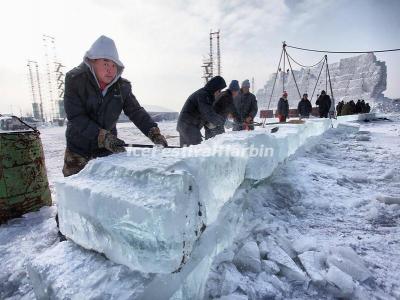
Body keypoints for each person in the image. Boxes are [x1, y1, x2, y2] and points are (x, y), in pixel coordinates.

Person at [62, 35, 168, 177]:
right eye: (106, 63)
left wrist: (154, 133)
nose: (110, 70)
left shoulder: (122, 87)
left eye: (114, 65)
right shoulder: (75, 80)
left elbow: (136, 111)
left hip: (108, 150)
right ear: (92, 61)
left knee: (112, 188)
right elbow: (76, 116)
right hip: (79, 150)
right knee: (76, 189)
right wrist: (102, 137)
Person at [177, 76, 227, 146]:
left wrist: (212, 127)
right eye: (219, 90)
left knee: (187, 151)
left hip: (186, 125)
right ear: (214, 88)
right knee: (197, 150)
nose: (219, 93)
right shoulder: (203, 95)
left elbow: (205, 115)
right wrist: (224, 122)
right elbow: (208, 114)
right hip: (188, 126)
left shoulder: (206, 96)